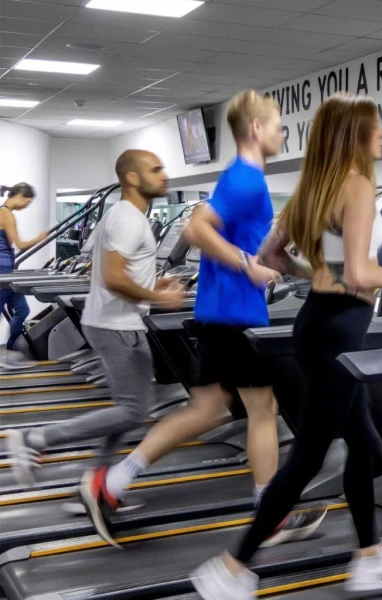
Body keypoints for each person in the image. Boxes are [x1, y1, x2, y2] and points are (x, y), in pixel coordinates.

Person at [189, 93, 382, 600]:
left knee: (362, 440)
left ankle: (370, 557)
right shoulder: (357, 185)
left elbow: (271, 255)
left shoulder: (313, 188)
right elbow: (361, 273)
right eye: (375, 126)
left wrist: (319, 274)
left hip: (318, 323)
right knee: (310, 455)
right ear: (354, 134)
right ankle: (231, 567)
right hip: (340, 330)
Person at [78, 90, 321, 547]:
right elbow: (196, 228)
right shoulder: (246, 179)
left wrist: (314, 272)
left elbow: (264, 254)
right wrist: (247, 266)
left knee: (207, 410)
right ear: (256, 129)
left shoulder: (243, 180)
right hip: (236, 316)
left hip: (217, 312)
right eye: (277, 125)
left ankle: (110, 482)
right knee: (264, 410)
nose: (283, 133)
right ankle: (269, 514)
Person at [3, 152, 186, 491]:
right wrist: (159, 297)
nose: (164, 175)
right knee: (132, 411)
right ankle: (37, 438)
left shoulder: (124, 216)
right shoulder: (128, 219)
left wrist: (153, 284)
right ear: (132, 177)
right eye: (155, 170)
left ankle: (97, 483)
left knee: (128, 409)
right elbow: (114, 278)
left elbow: (119, 273)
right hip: (116, 325)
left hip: (119, 322)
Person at [0, 183, 49, 364]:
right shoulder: (6, 213)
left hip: (7, 269)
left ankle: (9, 351)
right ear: (20, 197)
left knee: (22, 310)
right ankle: (7, 353)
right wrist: (40, 238)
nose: (25, 207)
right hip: (3, 270)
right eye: (27, 203)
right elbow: (20, 244)